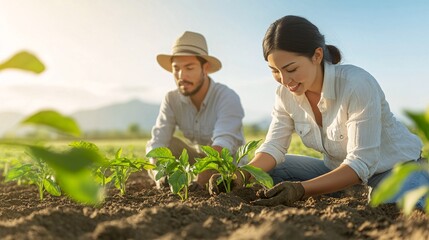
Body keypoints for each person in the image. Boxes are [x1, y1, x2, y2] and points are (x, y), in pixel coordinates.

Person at [210, 15, 428, 208]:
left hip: (392, 170)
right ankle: (342, 187)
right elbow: (274, 147)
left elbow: (361, 162)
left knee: (391, 206)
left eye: (291, 69)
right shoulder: (284, 95)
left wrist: (301, 189)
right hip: (339, 170)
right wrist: (240, 176)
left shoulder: (357, 83)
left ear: (316, 55)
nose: (285, 81)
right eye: (275, 71)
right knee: (267, 171)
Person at [146, 31, 245, 189]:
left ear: (205, 68)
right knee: (168, 144)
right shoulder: (171, 99)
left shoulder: (227, 97)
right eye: (176, 68)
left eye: (189, 68)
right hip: (199, 159)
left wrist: (200, 181)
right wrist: (160, 173)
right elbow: (158, 142)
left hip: (229, 167)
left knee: (221, 170)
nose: (181, 76)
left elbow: (223, 143)